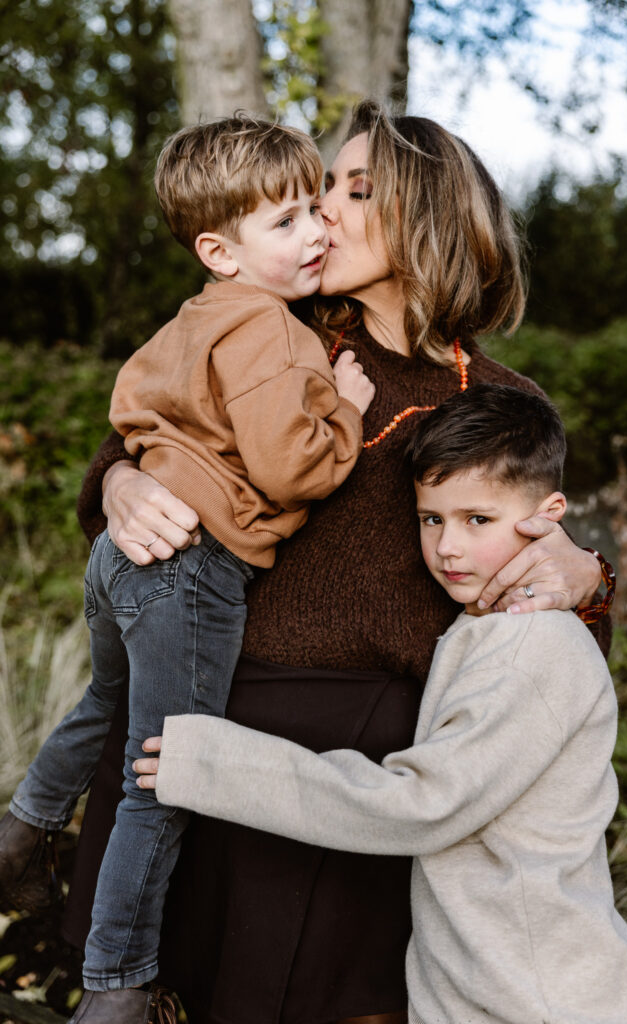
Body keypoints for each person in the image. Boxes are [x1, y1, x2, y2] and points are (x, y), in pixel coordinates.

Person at [62, 101, 612, 1024]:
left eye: (355, 190)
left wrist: (588, 574)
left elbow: (536, 569)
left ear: (429, 214)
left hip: (366, 773)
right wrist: (118, 483)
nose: (322, 211)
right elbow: (147, 432)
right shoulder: (274, 331)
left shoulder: (504, 401)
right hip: (212, 729)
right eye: (321, 187)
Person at [134, 383, 627, 1024]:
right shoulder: (484, 627)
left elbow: (422, 805)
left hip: (546, 997)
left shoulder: (536, 644)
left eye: (478, 520)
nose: (448, 547)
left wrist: (216, 765)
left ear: (549, 516)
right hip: (483, 991)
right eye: (431, 518)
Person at [0, 116, 375, 1024]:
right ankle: (118, 984)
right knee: (165, 777)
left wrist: (135, 466)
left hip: (118, 562)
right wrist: (347, 413)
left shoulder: (196, 317)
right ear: (220, 249)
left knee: (105, 701)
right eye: (285, 222)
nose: (318, 230)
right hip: (192, 567)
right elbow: (292, 467)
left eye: (314, 211)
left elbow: (131, 410)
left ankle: (22, 832)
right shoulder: (277, 334)